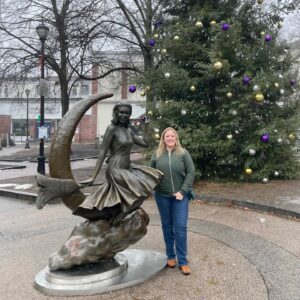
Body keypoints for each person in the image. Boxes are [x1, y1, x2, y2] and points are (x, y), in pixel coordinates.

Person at [73, 103, 163, 224]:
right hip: (115, 169)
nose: (124, 115)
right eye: (122, 112)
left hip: (128, 167)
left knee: (148, 185)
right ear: (116, 113)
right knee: (139, 191)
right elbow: (102, 153)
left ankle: (119, 215)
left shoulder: (129, 130)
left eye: (127, 113)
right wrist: (93, 176)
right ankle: (119, 217)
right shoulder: (112, 129)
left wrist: (146, 126)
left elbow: (145, 143)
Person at [150, 127, 195, 275]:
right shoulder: (157, 154)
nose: (169, 138)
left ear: (176, 138)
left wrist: (182, 191)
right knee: (167, 227)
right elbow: (151, 174)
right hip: (162, 197)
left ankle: (182, 261)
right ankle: (170, 256)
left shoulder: (183, 153)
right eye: (167, 136)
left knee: (180, 227)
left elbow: (191, 172)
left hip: (180, 197)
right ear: (163, 139)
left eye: (172, 136)